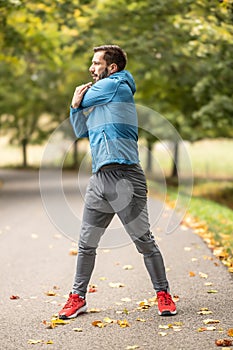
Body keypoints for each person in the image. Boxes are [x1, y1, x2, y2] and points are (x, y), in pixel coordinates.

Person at [58, 45, 177, 319]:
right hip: (100, 179)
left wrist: (76, 101)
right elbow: (79, 130)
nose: (91, 68)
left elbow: (81, 97)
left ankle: (163, 294)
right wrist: (75, 105)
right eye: (91, 62)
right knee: (87, 243)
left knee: (144, 241)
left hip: (127, 178)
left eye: (96, 63)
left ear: (112, 67)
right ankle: (77, 298)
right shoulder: (101, 99)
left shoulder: (117, 86)